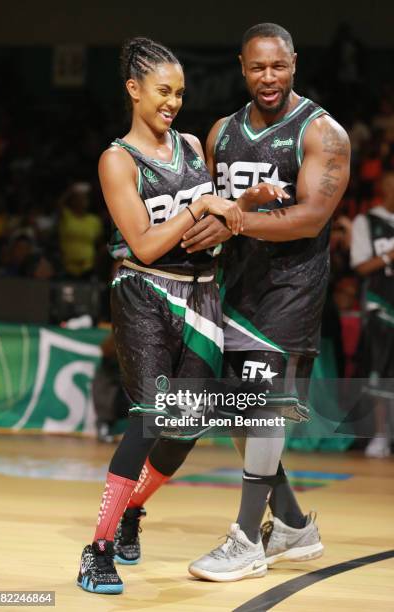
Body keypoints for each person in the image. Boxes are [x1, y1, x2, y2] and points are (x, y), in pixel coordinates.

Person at [113, 23, 351, 582]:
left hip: (291, 289)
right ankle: (292, 524)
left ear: (295, 62)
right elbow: (211, 206)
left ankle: (246, 538)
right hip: (230, 290)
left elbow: (311, 218)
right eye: (256, 68)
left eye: (278, 66)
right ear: (241, 67)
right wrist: (213, 223)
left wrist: (236, 221)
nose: (268, 78)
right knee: (244, 415)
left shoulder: (323, 133)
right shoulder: (221, 132)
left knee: (262, 403)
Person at [76, 36, 276, 595]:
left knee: (185, 426)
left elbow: (213, 222)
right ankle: (98, 549)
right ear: (133, 90)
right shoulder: (118, 159)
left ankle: (134, 509)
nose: (173, 102)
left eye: (181, 92)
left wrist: (247, 206)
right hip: (144, 291)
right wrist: (197, 205)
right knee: (148, 416)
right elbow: (143, 243)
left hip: (204, 295)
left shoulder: (191, 144)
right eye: (163, 91)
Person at [351, 171, 394, 458]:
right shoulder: (366, 221)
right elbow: (361, 266)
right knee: (381, 375)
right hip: (381, 307)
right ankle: (381, 436)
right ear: (384, 190)